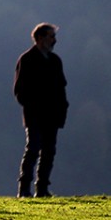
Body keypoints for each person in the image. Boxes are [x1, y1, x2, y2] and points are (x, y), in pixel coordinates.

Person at [13, 22, 69, 198]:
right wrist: (33, 106)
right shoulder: (27, 60)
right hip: (35, 116)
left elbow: (61, 88)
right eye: (51, 36)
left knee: (48, 152)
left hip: (52, 116)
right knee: (33, 150)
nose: (54, 40)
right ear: (40, 38)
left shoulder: (55, 61)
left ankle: (42, 188)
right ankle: (24, 189)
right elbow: (19, 91)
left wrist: (62, 110)